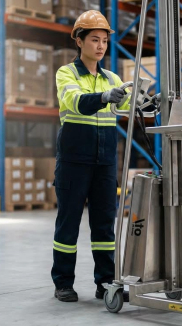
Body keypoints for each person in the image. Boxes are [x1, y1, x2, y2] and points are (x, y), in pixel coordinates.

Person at [51, 10, 130, 303]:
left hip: (106, 159)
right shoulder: (66, 73)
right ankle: (63, 283)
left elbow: (130, 105)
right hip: (74, 159)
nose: (100, 46)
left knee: (104, 225)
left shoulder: (112, 77)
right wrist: (103, 98)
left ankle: (106, 283)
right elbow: (75, 101)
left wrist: (149, 101)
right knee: (68, 222)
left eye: (104, 41)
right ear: (79, 41)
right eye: (94, 39)